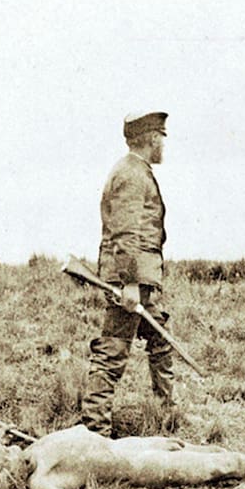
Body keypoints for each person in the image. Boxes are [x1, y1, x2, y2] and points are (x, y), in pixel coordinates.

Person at [79, 111, 177, 437]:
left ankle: (166, 415)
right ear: (151, 138)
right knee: (113, 351)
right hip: (131, 281)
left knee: (161, 339)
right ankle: (95, 433)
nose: (164, 143)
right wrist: (130, 283)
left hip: (142, 281)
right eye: (162, 137)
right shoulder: (132, 175)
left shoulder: (136, 171)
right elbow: (126, 234)